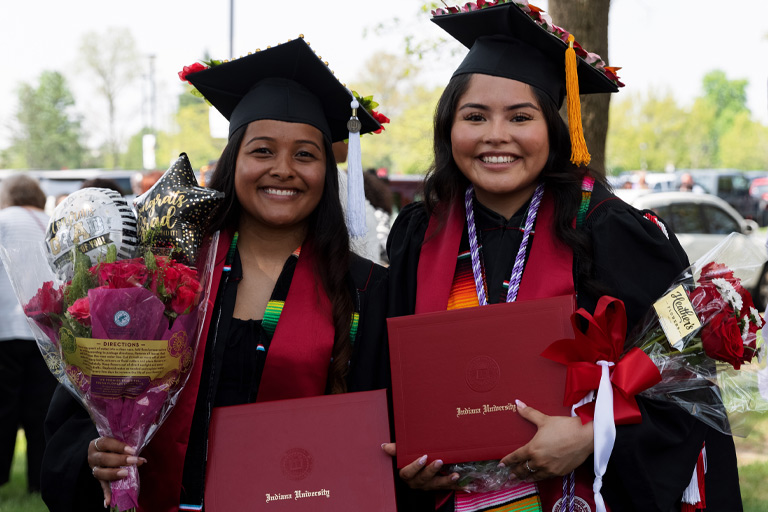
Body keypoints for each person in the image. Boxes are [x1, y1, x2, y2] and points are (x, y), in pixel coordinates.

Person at [383, 3, 740, 512]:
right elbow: (391, 377)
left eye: (521, 117)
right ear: (449, 128)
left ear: (554, 128)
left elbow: (688, 348)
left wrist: (590, 433)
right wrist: (407, 458)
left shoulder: (615, 229)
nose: (495, 136)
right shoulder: (420, 234)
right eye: (474, 116)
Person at [40, 37, 390, 512]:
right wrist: (94, 451)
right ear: (234, 161)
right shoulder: (158, 275)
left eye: (306, 155)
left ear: (328, 172)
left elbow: (382, 426)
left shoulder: (364, 288)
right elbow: (83, 409)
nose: (283, 170)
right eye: (262, 151)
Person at [0, 175, 58, 493]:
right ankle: (39, 481)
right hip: (44, 331)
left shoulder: (3, 219)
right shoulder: (50, 221)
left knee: (3, 410)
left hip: (4, 330)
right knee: (41, 411)